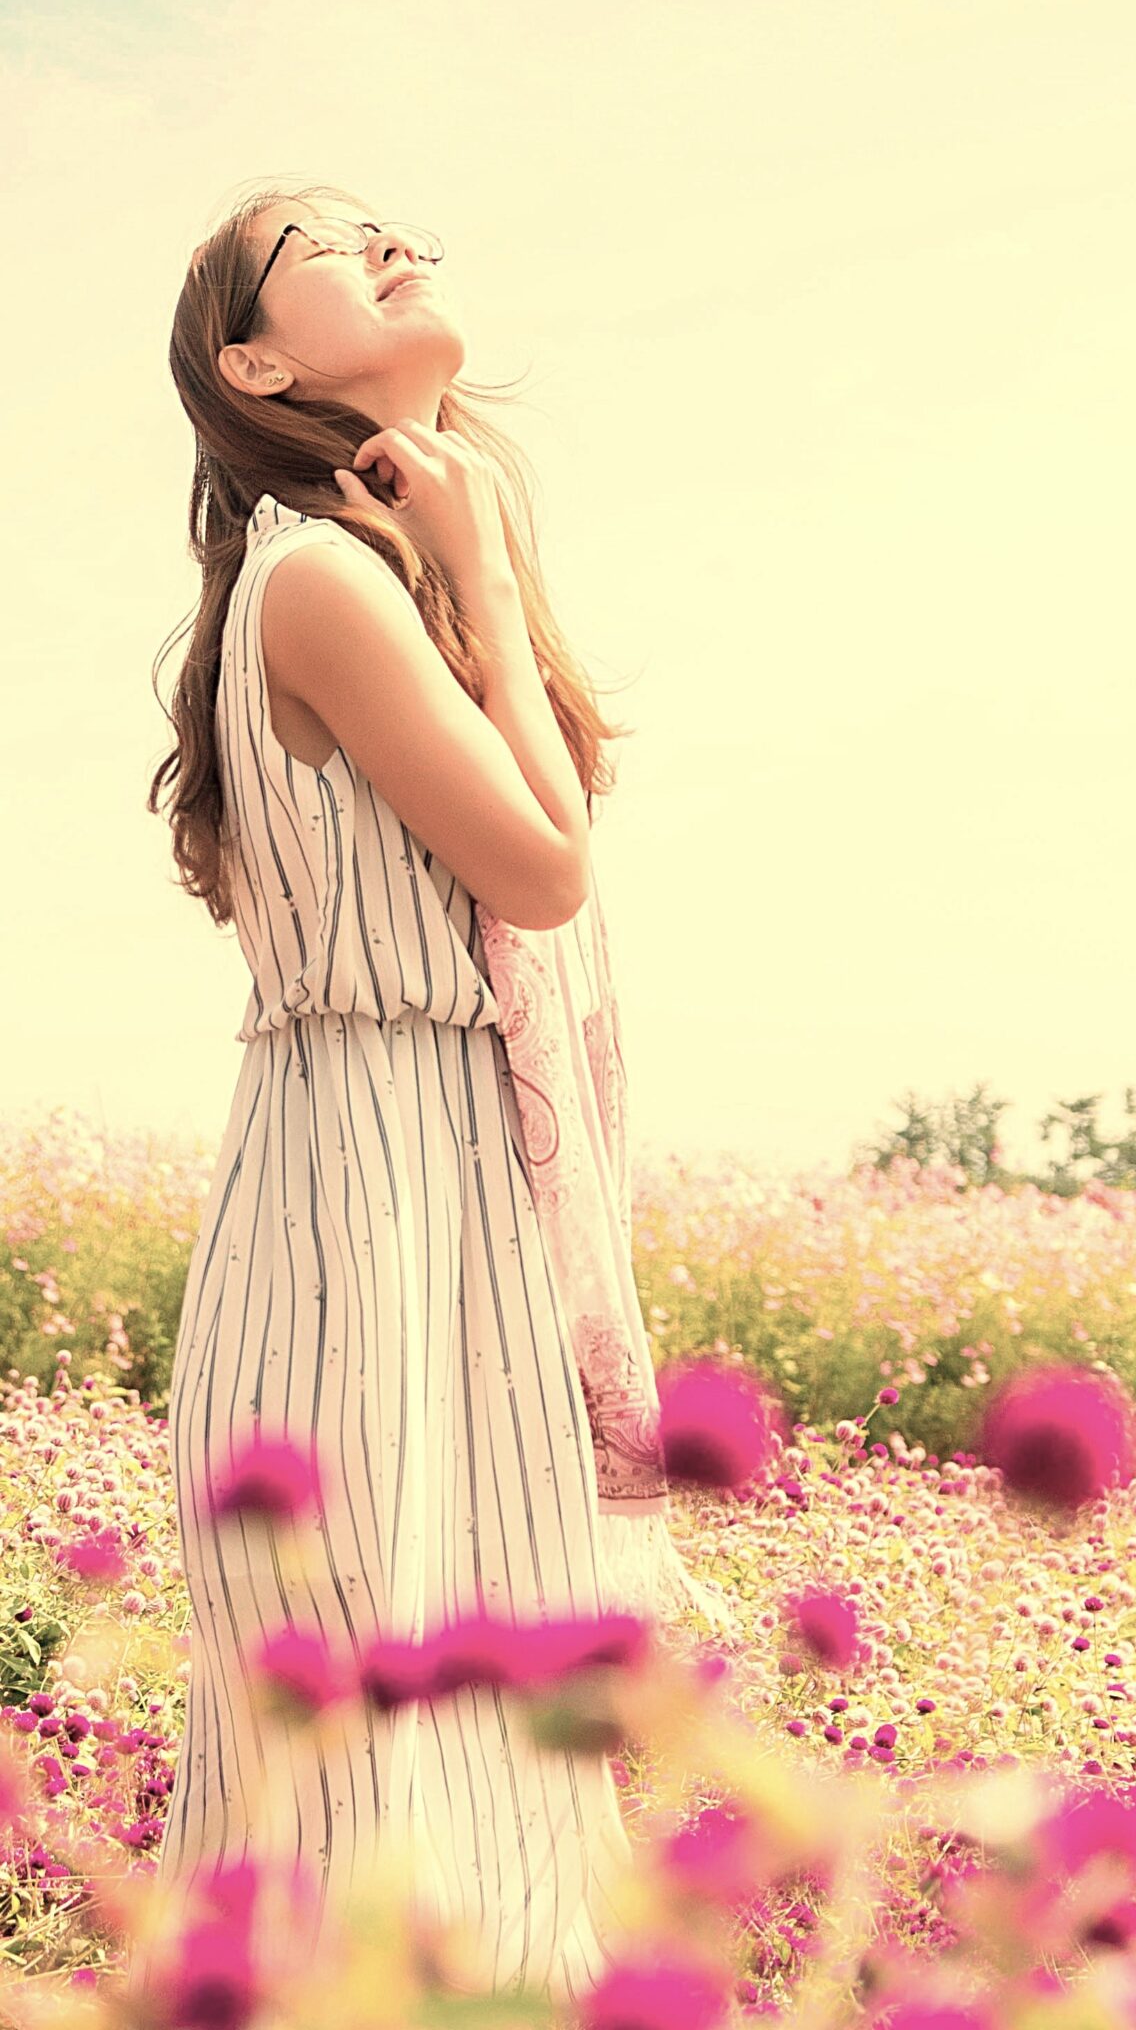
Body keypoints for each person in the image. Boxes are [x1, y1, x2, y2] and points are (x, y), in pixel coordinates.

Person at [139, 178, 668, 2000]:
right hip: (370, 1193)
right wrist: (497, 590)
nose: (392, 239)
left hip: (437, 1178)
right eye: (324, 241)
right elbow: (544, 871)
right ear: (255, 358)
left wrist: (481, 571)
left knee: (462, 1729)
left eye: (394, 219)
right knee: (375, 1728)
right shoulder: (321, 582)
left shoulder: (372, 578)